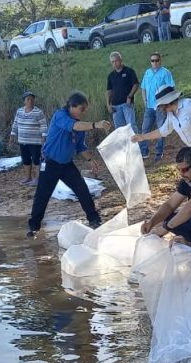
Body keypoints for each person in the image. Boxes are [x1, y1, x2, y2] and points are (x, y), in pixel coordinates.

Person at [27, 92, 112, 237]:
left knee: (82, 190)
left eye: (85, 109)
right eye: (81, 109)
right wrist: (95, 125)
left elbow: (80, 147)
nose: (84, 112)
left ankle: (94, 220)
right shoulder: (60, 115)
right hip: (50, 163)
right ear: (72, 106)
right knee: (42, 195)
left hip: (66, 165)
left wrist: (91, 160)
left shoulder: (80, 125)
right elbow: (74, 126)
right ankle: (33, 228)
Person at [139, 52, 175, 161]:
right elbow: (143, 87)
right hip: (149, 106)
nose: (154, 62)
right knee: (145, 129)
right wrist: (144, 100)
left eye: (156, 60)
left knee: (161, 129)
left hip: (160, 106)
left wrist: (167, 104)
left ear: (160, 61)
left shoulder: (166, 73)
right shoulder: (147, 72)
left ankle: (159, 153)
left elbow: (171, 88)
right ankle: (144, 152)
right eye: (152, 60)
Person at [10, 91, 48, 186]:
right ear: (24, 101)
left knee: (36, 160)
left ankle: (37, 178)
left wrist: (44, 137)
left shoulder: (38, 112)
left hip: (35, 142)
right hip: (23, 141)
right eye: (28, 99)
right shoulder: (19, 111)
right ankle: (28, 177)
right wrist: (12, 135)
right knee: (26, 160)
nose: (30, 101)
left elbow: (43, 125)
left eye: (32, 99)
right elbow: (15, 124)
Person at [106, 52, 139, 132]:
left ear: (121, 60)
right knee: (119, 130)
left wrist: (130, 96)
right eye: (112, 62)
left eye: (116, 61)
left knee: (131, 126)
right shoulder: (111, 76)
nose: (115, 63)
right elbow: (109, 91)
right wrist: (108, 104)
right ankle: (124, 144)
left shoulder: (129, 71)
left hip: (126, 104)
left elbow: (136, 84)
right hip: (115, 106)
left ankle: (136, 144)